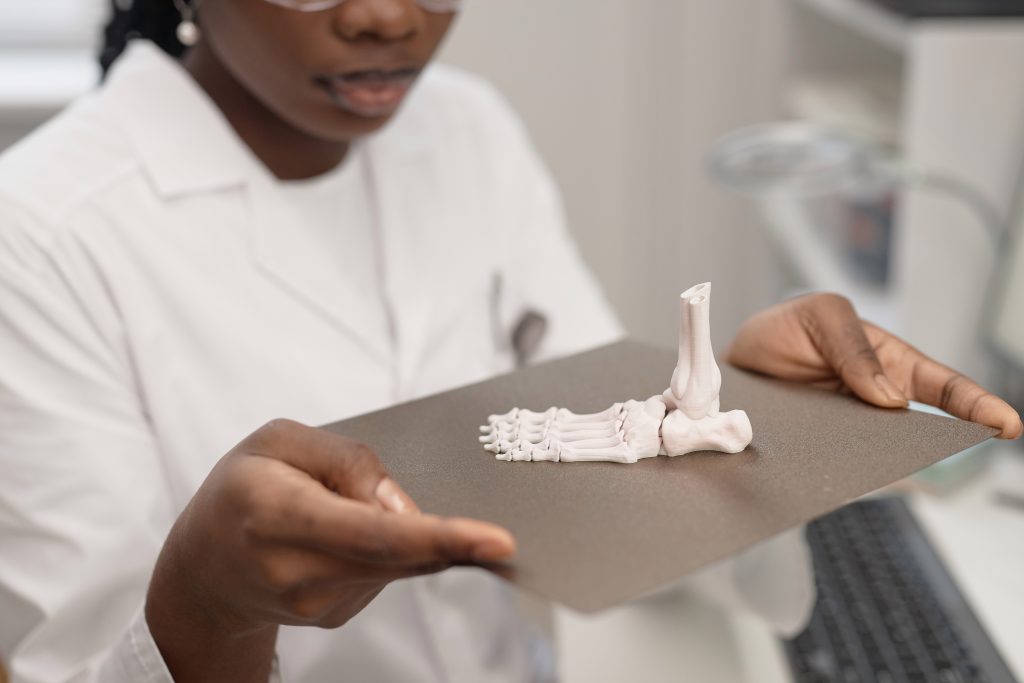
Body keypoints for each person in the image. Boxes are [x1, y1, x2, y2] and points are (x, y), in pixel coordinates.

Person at [0, 1, 1019, 682]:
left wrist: (739, 412)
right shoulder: (41, 229)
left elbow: (612, 478)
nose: (387, 16)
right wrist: (203, 609)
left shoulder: (468, 130)